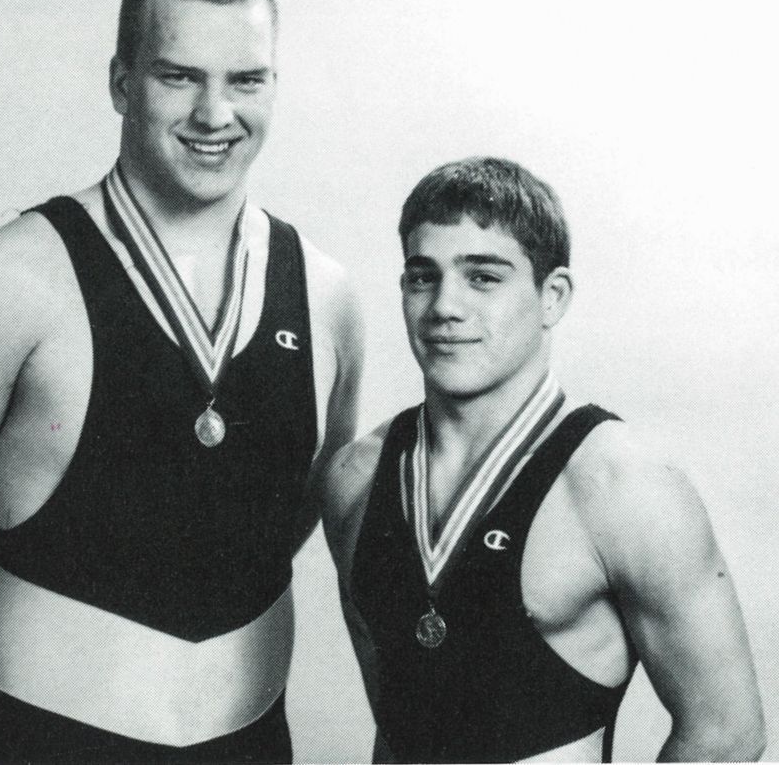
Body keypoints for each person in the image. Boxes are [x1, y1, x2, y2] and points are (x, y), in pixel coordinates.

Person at [0, 0, 362, 764]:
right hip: (37, 737)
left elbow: (293, 497)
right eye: (179, 76)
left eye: (246, 81)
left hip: (251, 740)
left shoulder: (326, 295)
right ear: (123, 82)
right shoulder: (7, 281)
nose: (214, 114)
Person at [321, 157, 765, 763]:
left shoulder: (624, 486)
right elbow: (397, 723)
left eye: (483, 277)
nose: (444, 307)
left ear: (552, 296)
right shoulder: (357, 479)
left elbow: (727, 736)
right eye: (423, 277)